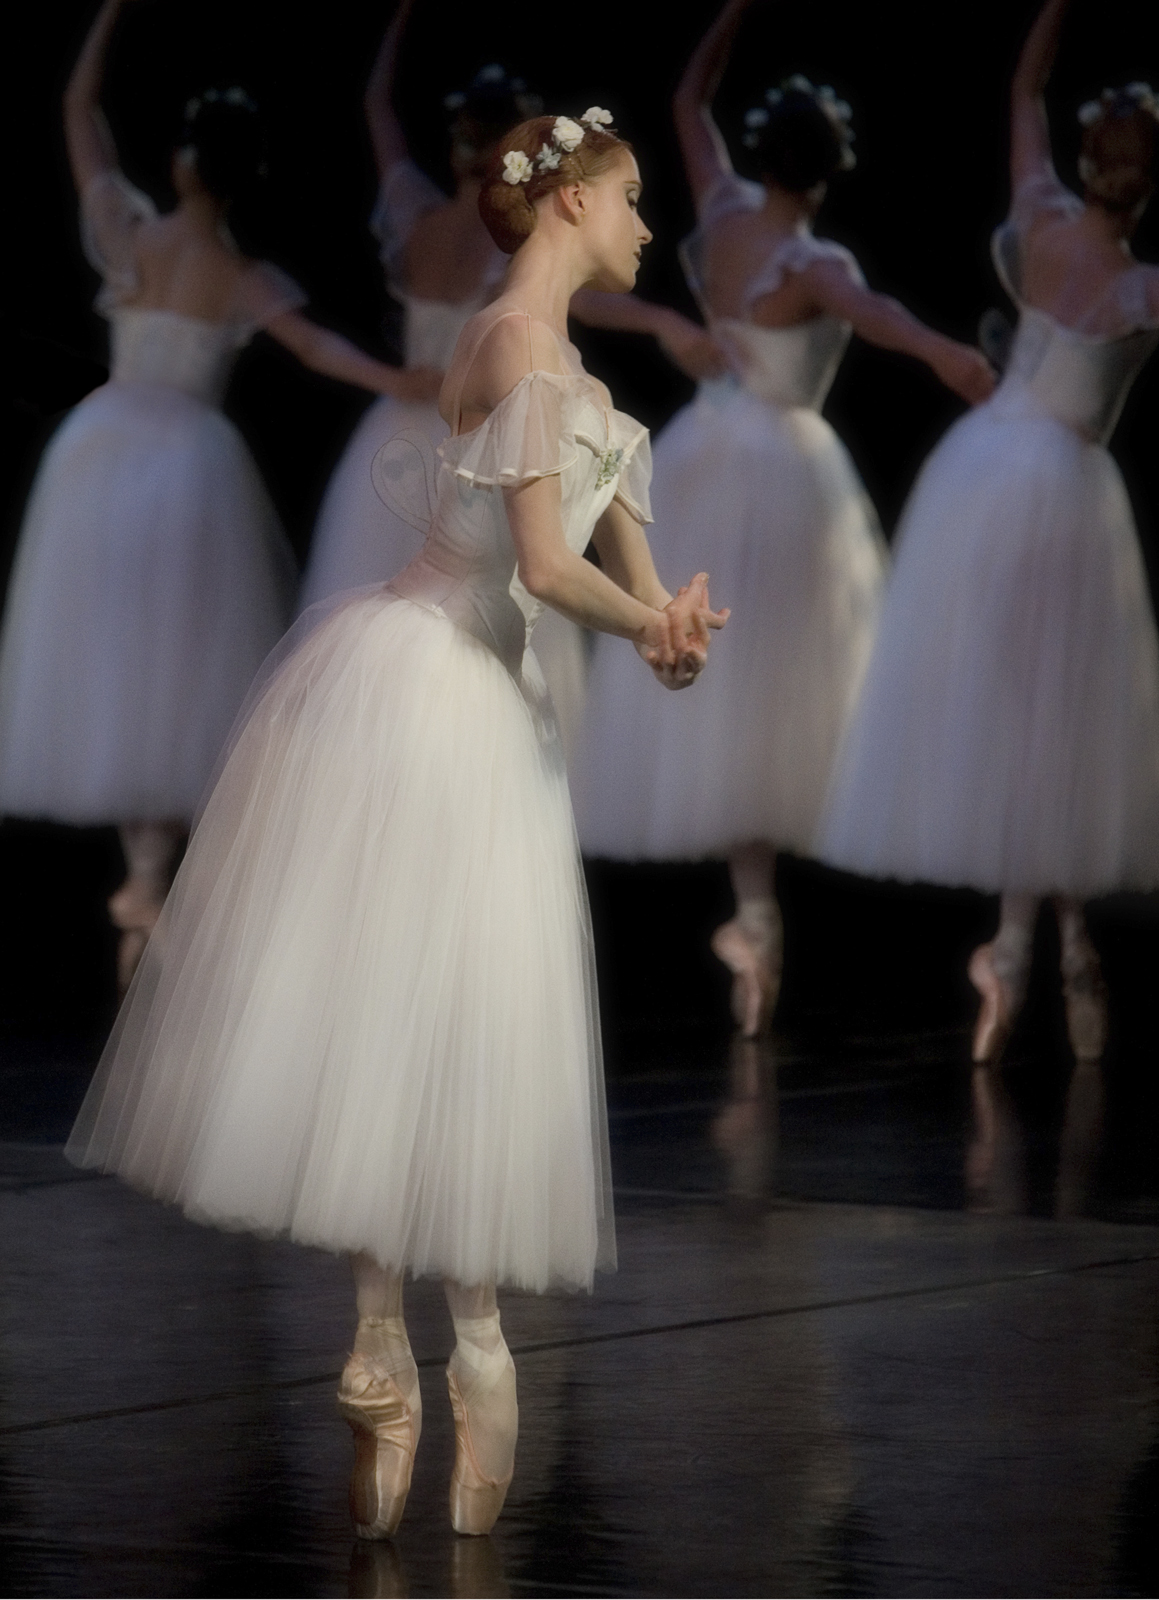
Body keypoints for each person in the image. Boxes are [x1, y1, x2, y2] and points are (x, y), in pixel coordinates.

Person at [66, 107, 727, 1540]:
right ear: (561, 207)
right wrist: (636, 614)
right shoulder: (511, 347)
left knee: (458, 1014)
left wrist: (669, 631)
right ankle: (402, 1337)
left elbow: (623, 577)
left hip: (489, 705)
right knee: (397, 1003)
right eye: (627, 198)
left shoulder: (583, 388)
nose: (645, 226)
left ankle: (439, 1343)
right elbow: (548, 569)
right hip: (427, 688)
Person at [571, 0, 994, 1037]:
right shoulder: (815, 267)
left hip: (706, 455)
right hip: (786, 474)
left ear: (767, 157)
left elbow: (682, 99)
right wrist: (953, 358)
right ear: (830, 171)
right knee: (783, 681)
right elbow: (892, 326)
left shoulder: (717, 214)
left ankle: (754, 917)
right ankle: (758, 923)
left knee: (734, 691)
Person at [0, 0, 428, 987]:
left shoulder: (133, 235)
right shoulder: (239, 273)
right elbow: (318, 347)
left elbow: (78, 110)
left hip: (103, 454)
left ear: (189, 163)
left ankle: (143, 880)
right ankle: (150, 882)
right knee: (173, 661)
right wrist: (395, 380)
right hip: (187, 465)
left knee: (122, 658)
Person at [818, 0, 1159, 1067]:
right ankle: (1050, 943)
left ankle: (1030, 942)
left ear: (1091, 161)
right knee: (1055, 715)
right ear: (1157, 177)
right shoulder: (1149, 287)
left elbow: (1023, 88)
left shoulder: (1037, 218)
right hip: (1067, 493)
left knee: (1027, 717)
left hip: (982, 477)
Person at [299, 2, 601, 762]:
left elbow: (376, 107)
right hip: (481, 437)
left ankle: (380, 765)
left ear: (460, 136)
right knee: (480, 607)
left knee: (388, 612)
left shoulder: (415, 216)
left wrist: (400, 20)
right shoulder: (522, 241)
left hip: (400, 426)